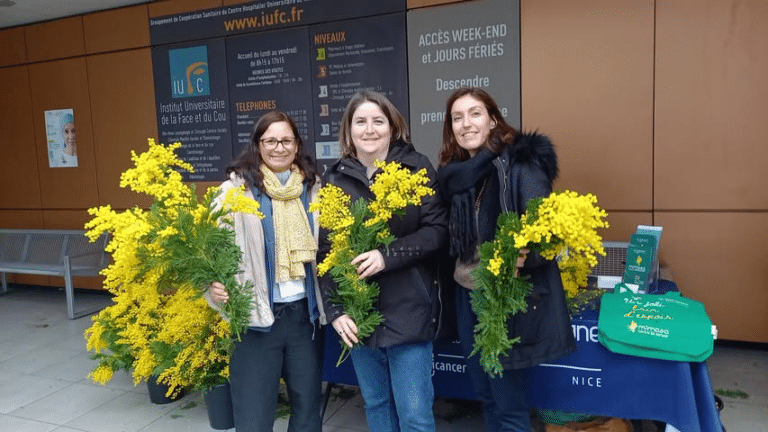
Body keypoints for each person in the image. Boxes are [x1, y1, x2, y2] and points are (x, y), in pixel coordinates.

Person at [436, 87, 576, 432]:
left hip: (505, 297)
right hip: (467, 293)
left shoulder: (520, 164)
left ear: (493, 119)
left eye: (475, 114)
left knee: (508, 404)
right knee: (484, 394)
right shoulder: (455, 174)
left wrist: (519, 261)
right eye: (457, 117)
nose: (465, 124)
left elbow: (549, 236)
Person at [318, 90, 447, 432]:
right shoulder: (335, 178)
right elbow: (326, 253)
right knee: (376, 405)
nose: (370, 129)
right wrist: (336, 311)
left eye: (378, 121)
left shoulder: (416, 167)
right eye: (360, 121)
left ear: (393, 127)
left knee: (415, 416)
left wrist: (386, 256)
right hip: (361, 317)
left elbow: (437, 231)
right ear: (348, 131)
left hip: (409, 311)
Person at [206, 111, 326, 432]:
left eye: (286, 140)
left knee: (308, 412)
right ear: (257, 145)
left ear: (297, 144)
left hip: (305, 318)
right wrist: (213, 284)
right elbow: (209, 251)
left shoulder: (314, 190)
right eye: (270, 140)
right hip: (255, 322)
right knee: (253, 416)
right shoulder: (234, 192)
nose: (278, 148)